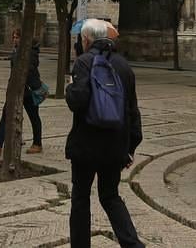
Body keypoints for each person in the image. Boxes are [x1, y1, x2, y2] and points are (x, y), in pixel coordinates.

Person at [65, 18, 143, 248]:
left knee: (80, 198)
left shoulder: (83, 62)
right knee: (110, 196)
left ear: (87, 39)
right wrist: (129, 148)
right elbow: (132, 112)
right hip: (114, 146)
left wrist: (71, 87)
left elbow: (77, 101)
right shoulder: (124, 66)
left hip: (86, 145)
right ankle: (132, 244)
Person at [0, 28, 43, 156]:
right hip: (16, 89)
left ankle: (37, 143)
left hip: (27, 90)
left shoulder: (30, 52)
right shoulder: (18, 51)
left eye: (17, 37)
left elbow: (30, 70)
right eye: (14, 37)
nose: (14, 40)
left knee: (33, 116)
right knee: (7, 114)